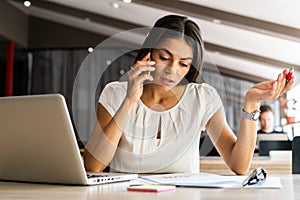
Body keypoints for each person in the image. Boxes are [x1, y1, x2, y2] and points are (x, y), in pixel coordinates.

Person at [83, 15, 295, 175]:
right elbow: (93, 166)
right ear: (149, 52)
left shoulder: (202, 97)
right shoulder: (115, 93)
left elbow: (239, 166)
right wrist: (130, 99)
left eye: (183, 63)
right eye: (164, 57)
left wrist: (251, 103)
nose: (172, 70)